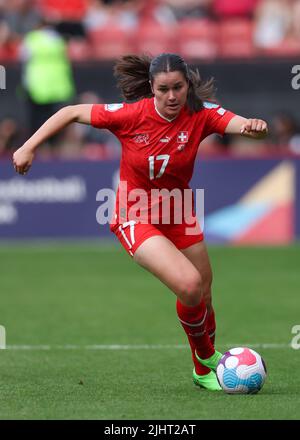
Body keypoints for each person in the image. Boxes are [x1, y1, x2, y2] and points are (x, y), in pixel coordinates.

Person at [12, 53, 268, 391]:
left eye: (178, 87)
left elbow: (243, 126)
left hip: (178, 212)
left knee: (203, 294)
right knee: (189, 285)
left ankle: (201, 372)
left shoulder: (201, 114)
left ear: (187, 85)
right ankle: (209, 360)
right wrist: (28, 147)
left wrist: (255, 127)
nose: (172, 96)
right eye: (164, 89)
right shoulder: (131, 115)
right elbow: (70, 112)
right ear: (152, 88)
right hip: (135, 214)